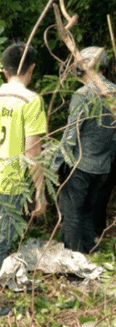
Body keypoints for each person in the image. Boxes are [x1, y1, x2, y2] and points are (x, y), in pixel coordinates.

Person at [0, 42, 47, 319]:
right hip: (9, 182)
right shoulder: (31, 101)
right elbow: (32, 151)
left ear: (4, 70)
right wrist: (41, 190)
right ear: (32, 68)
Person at [52, 46, 116, 253]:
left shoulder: (84, 94)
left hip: (79, 164)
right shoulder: (113, 91)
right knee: (88, 210)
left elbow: (71, 133)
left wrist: (55, 164)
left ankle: (72, 261)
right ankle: (91, 252)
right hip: (103, 166)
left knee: (71, 214)